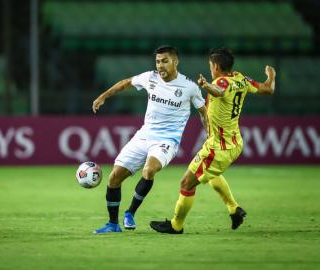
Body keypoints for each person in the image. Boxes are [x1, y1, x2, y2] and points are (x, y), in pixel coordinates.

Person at [150, 48, 276, 234]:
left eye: (211, 66)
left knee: (187, 183)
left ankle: (176, 225)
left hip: (218, 148)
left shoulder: (221, 82)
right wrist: (271, 76)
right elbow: (268, 89)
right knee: (211, 174)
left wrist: (206, 85)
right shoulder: (241, 79)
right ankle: (234, 210)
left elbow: (219, 91)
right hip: (232, 143)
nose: (210, 69)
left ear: (216, 66)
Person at [92, 45, 208, 234]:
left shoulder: (189, 87)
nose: (160, 65)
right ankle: (113, 224)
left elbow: (203, 112)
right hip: (144, 135)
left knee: (149, 169)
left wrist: (209, 135)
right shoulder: (150, 77)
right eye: (157, 61)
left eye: (165, 61)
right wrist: (103, 96)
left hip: (167, 140)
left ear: (175, 61)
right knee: (114, 177)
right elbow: (126, 82)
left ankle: (130, 212)